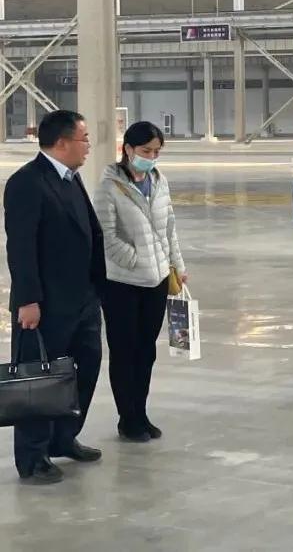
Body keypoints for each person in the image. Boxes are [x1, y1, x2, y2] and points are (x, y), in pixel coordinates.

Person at [4, 110, 106, 485]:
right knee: (39, 380)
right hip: (45, 305)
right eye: (84, 138)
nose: (88, 145)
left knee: (86, 369)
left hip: (83, 300)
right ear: (62, 142)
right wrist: (28, 300)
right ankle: (33, 458)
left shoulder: (71, 179)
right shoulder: (27, 183)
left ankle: (64, 438)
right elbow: (21, 247)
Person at [94, 121, 187, 442]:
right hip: (122, 283)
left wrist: (176, 265)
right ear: (128, 149)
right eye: (146, 151)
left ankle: (141, 412)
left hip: (157, 281)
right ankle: (127, 418)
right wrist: (137, 259)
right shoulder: (109, 187)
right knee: (125, 351)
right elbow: (106, 237)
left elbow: (169, 228)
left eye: (157, 152)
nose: (152, 157)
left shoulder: (159, 182)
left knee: (146, 350)